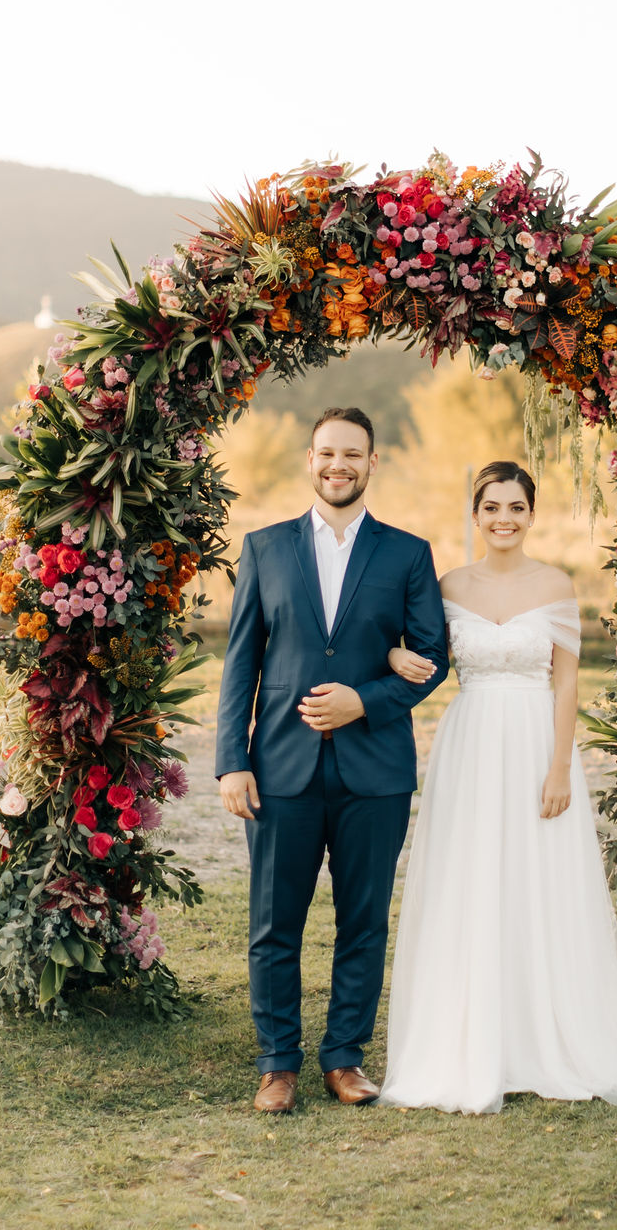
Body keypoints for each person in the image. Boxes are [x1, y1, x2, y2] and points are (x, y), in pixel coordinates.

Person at [379, 461, 617, 1114]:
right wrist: (396, 655)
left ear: (531, 514)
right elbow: (415, 651)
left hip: (536, 741)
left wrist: (560, 766)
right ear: (476, 513)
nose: (504, 519)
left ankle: (546, 1034)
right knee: (473, 878)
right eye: (491, 507)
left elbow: (567, 681)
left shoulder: (556, 585)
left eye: (516, 507)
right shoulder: (448, 583)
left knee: (537, 881)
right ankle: (471, 1037)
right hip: (471, 742)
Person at [216, 407, 449, 1114]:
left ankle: (344, 1058)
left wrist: (365, 701)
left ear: (372, 462)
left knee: (364, 920)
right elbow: (241, 663)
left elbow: (433, 658)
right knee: (273, 922)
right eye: (326, 453)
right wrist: (232, 759)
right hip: (280, 767)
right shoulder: (263, 548)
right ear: (309, 459)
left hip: (373, 770)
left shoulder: (408, 553)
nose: (338, 465)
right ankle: (277, 1063)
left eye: (352, 454)